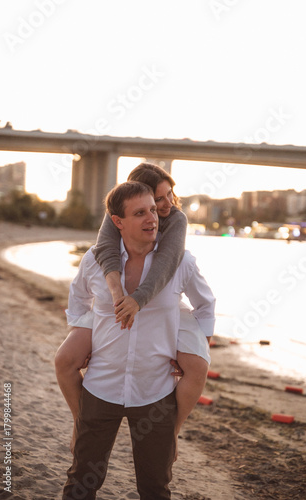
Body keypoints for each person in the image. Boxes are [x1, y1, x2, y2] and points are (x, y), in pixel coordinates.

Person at [62, 181, 215, 499]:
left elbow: (205, 305)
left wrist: (192, 345)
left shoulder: (180, 263)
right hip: (100, 387)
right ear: (118, 222)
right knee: (80, 482)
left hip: (155, 395)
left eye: (153, 210)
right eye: (140, 213)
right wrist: (83, 334)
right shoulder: (95, 260)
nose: (152, 218)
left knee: (155, 487)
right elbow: (76, 301)